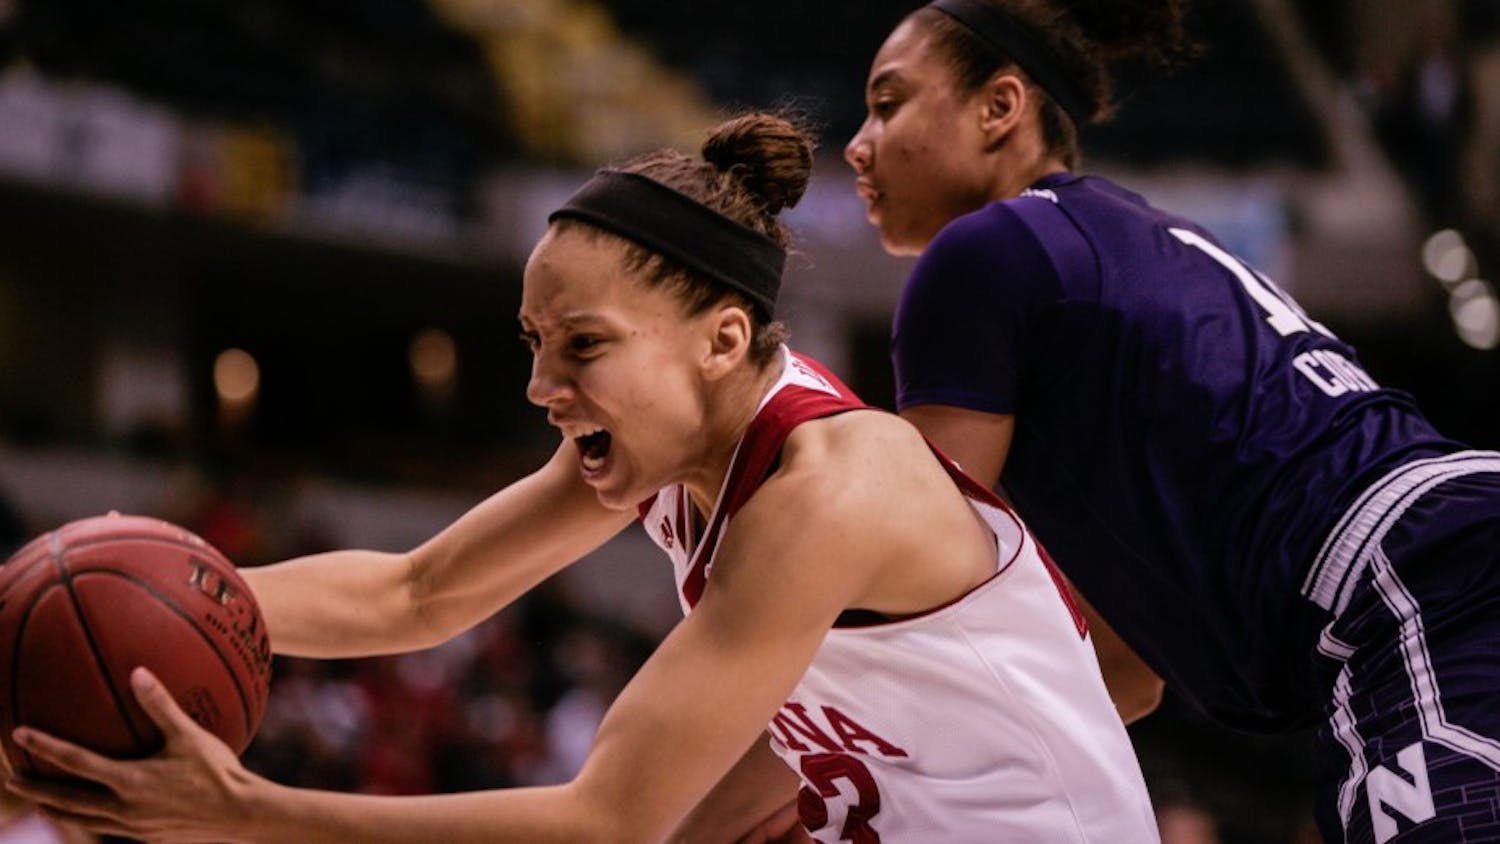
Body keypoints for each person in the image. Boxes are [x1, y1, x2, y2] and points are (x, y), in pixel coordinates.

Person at [4, 114, 1159, 843]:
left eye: (584, 345)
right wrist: (161, 601)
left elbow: (606, 816)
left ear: (719, 339)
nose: (542, 384)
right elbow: (414, 594)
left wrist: (248, 815)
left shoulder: (829, 487)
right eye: (534, 342)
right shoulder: (664, 449)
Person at [841, 1, 1500, 842]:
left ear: (1000, 107)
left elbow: (912, 592)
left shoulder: (983, 250)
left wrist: (810, 775)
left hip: (1413, 583)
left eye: (889, 103)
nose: (860, 141)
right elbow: (1121, 674)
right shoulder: (1127, 243)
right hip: (1437, 560)